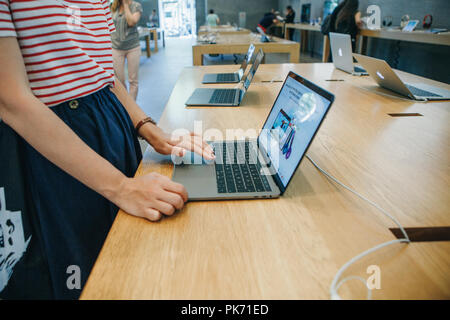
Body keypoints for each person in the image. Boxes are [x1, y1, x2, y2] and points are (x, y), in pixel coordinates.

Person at [0, 0, 214, 299]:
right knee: (81, 272)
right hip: (54, 142)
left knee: (130, 254)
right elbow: (11, 99)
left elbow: (104, 75)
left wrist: (150, 130)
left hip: (111, 121)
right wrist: (122, 188)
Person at [111, 0, 143, 101]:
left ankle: (132, 106)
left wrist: (125, 4)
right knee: (119, 81)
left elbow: (131, 22)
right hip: (116, 47)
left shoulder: (136, 6)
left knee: (133, 80)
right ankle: (126, 105)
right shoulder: (112, 6)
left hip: (132, 47)